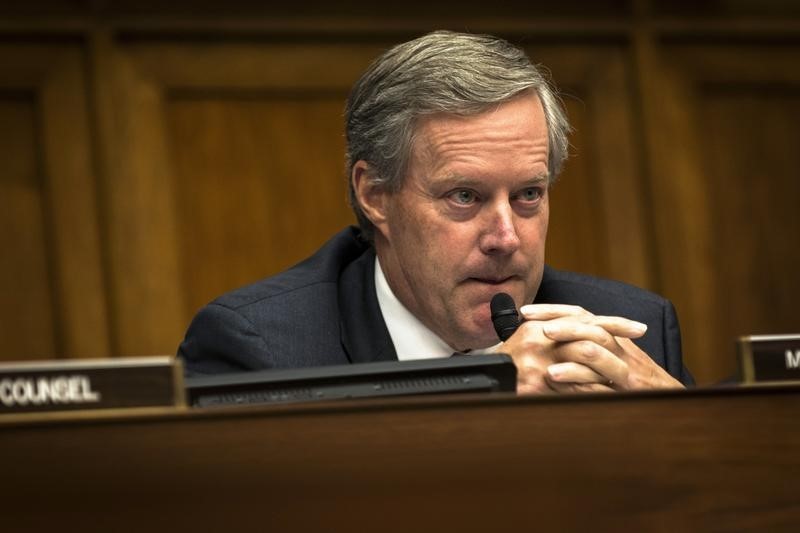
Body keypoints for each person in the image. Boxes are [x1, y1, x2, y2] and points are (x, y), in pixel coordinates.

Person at [178, 30, 693, 392]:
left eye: (528, 195)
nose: (506, 237)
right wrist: (483, 396)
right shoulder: (262, 350)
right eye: (464, 197)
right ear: (375, 194)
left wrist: (686, 427)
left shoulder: (629, 331)